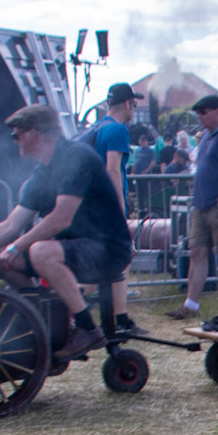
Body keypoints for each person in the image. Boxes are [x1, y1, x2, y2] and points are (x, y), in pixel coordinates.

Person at [0, 104, 131, 361]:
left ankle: (88, 329)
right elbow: (11, 225)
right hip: (76, 249)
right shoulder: (42, 172)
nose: (14, 140)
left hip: (108, 249)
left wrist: (16, 247)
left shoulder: (78, 158)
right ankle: (41, 324)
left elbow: (60, 220)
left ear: (33, 133)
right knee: (0, 255)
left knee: (40, 251)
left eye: (16, 134)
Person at [167, 94, 218, 320]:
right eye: (197, 113)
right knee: (197, 252)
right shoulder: (207, 136)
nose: (199, 117)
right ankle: (190, 305)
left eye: (203, 112)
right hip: (201, 205)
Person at [89, 83, 141, 335]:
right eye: (134, 104)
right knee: (119, 258)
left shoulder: (95, 128)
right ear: (128, 103)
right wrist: (119, 210)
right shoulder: (118, 130)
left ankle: (120, 318)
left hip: (90, 205)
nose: (134, 109)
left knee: (116, 261)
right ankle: (68, 303)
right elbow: (112, 170)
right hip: (106, 206)